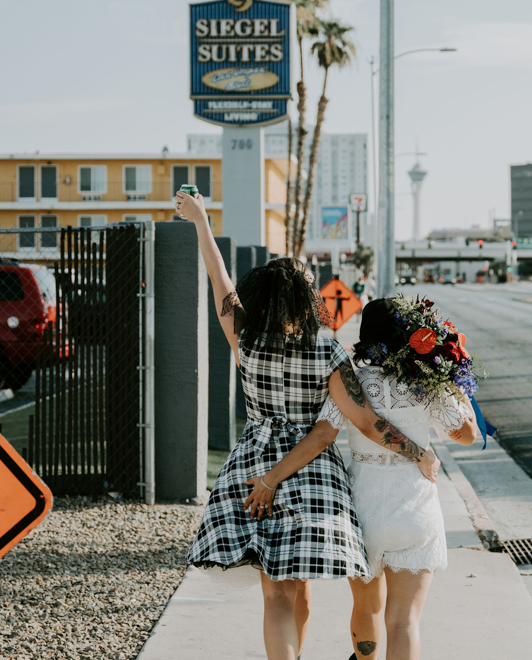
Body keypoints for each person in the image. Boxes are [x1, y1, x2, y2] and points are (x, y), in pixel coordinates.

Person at [175, 191, 438, 660]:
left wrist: (200, 222)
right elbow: (365, 420)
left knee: (277, 594)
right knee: (298, 586)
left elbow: (219, 280)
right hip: (310, 472)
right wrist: (417, 453)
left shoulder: (246, 341)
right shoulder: (327, 353)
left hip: (252, 465)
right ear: (305, 298)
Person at [252, 297, 480, 660]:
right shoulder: (426, 383)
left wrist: (272, 477)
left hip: (363, 509)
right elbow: (466, 434)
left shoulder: (351, 382)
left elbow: (322, 434)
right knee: (404, 621)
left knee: (367, 608)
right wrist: (454, 380)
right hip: (415, 507)